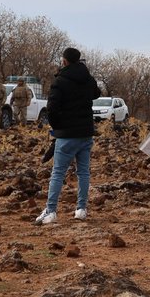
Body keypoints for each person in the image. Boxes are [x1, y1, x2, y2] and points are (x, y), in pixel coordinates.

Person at [35, 48, 101, 225]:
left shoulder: (60, 81)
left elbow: (51, 109)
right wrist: (87, 75)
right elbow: (96, 93)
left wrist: (58, 128)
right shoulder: (88, 79)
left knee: (58, 173)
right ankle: (81, 209)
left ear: (64, 61)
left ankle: (51, 211)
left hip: (66, 134)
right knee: (83, 172)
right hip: (86, 133)